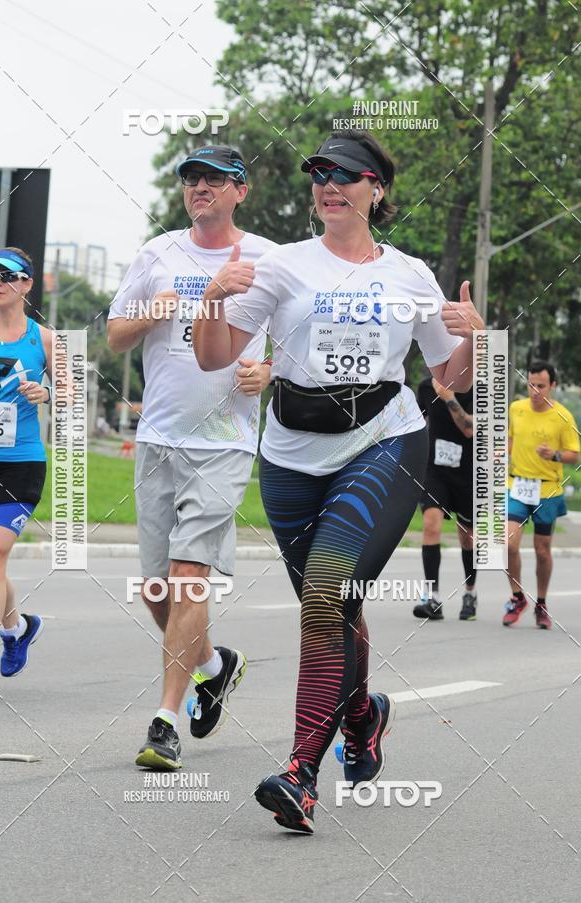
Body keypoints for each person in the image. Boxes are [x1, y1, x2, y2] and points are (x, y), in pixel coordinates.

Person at [193, 129, 484, 833]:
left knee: (324, 596)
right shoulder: (280, 266)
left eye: (346, 173)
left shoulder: (411, 274)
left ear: (375, 189)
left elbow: (452, 378)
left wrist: (476, 334)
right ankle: (363, 712)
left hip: (383, 443)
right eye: (319, 170)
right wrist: (210, 297)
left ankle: (300, 773)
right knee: (335, 608)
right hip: (291, 455)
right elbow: (213, 357)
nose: (329, 183)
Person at [107, 145, 276, 769]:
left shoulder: (264, 258)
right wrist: (151, 310)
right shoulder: (157, 253)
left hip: (225, 441)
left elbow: (297, 331)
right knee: (156, 587)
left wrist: (271, 366)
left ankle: (164, 722)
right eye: (191, 180)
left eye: (213, 179)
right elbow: (116, 332)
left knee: (186, 580)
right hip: (158, 436)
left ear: (240, 190)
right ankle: (214, 664)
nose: (199, 188)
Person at [0, 247, 51, 701]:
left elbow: (72, 403)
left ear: (26, 284)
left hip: (20, 464)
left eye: (7, 274)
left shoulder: (46, 341)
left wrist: (45, 392)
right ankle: (19, 627)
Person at [504, 360, 579, 629]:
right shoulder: (516, 408)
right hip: (517, 486)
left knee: (542, 550)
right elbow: (511, 438)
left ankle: (542, 603)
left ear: (553, 386)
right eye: (531, 384)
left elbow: (575, 454)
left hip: (547, 489)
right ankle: (517, 597)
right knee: (510, 543)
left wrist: (555, 454)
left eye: (541, 386)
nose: (535, 390)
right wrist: (504, 450)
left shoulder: (563, 417)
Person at [413, 375, 477, 621]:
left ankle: (470, 593)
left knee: (467, 537)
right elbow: (418, 421)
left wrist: (449, 398)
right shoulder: (426, 386)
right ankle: (433, 597)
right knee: (431, 524)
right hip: (435, 470)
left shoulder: (478, 387)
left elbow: (469, 428)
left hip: (468, 471)